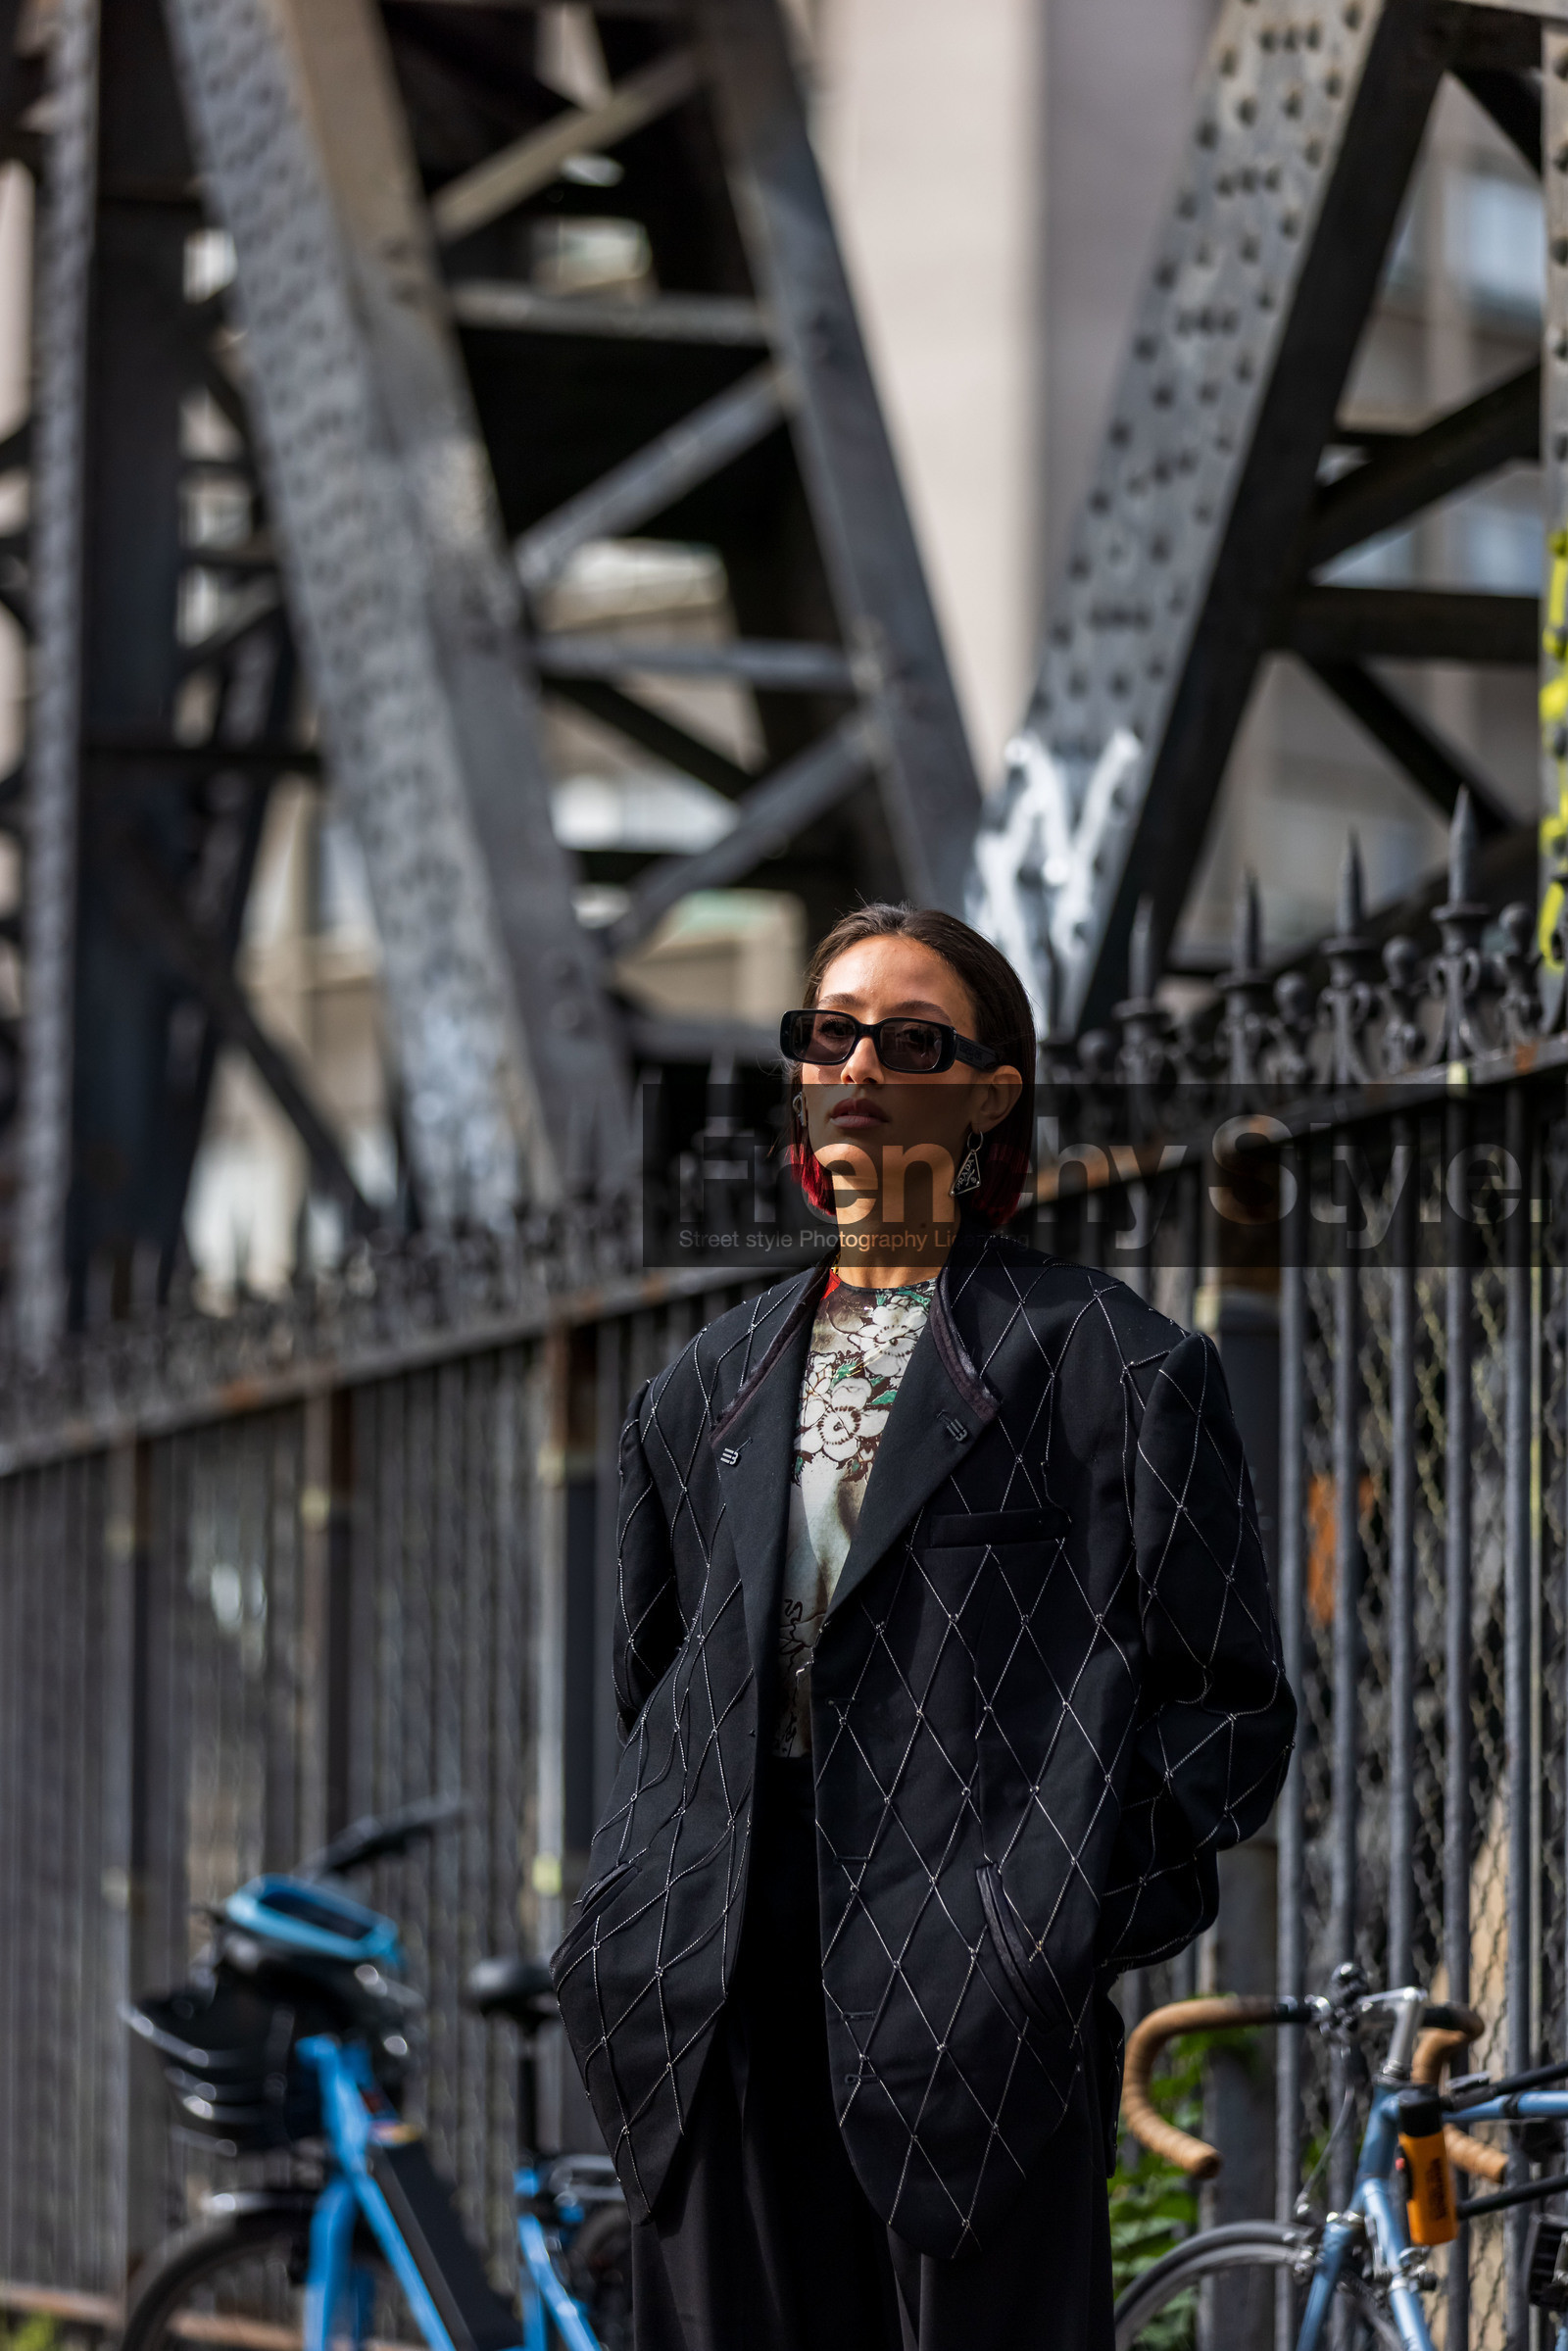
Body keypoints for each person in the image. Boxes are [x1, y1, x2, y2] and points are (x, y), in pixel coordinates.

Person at [552, 905, 1296, 2351]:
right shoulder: (701, 1388)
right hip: (713, 2005)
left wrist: (1046, 1920)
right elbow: (656, 1687)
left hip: (974, 2014)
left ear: (989, 1090)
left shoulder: (1115, 1367)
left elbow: (1230, 1707)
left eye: (912, 1040)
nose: (861, 1065)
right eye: (831, 1033)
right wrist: (639, 1913)